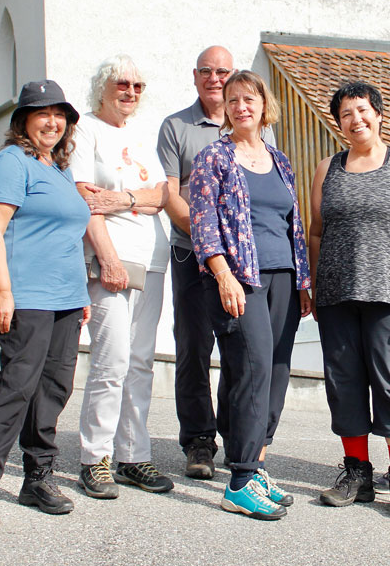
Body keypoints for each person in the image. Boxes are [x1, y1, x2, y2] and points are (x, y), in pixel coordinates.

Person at [0, 80, 90, 531]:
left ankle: (38, 477)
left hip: (67, 299)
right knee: (16, 386)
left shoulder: (58, 168)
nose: (52, 122)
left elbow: (66, 236)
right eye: (41, 113)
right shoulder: (11, 163)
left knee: (54, 388)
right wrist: (2, 292)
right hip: (27, 296)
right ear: (23, 121)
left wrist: (80, 296)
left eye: (59, 114)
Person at [309, 81, 390, 519]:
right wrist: (313, 285)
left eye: (363, 110)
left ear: (378, 114)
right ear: (339, 123)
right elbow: (317, 232)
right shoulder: (327, 168)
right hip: (336, 295)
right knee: (343, 384)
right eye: (346, 114)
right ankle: (357, 473)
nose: (356, 119)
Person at [189, 70, 312, 519]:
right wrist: (224, 276)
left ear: (264, 105)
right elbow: (202, 225)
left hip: (284, 275)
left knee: (276, 371)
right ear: (225, 106)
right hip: (241, 277)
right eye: (234, 99)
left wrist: (303, 282)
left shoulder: (280, 160)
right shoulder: (214, 158)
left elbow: (292, 223)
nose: (242, 106)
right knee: (251, 368)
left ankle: (256, 464)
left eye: (250, 99)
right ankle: (239, 480)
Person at [159, 46, 278, 478]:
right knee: (194, 345)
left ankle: (236, 439)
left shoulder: (259, 133)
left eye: (222, 71)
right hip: (192, 250)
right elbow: (170, 194)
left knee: (240, 351)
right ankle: (198, 440)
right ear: (196, 77)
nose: (214, 78)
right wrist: (213, 240)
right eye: (206, 71)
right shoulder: (177, 127)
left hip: (241, 261)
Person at [69, 56, 173, 499]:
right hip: (113, 260)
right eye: (122, 84)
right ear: (103, 87)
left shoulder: (140, 136)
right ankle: (96, 457)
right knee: (110, 361)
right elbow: (85, 200)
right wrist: (106, 257)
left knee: (141, 362)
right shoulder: (86, 132)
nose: (131, 92)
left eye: (138, 85)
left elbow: (160, 196)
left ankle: (134, 454)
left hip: (152, 258)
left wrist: (123, 198)